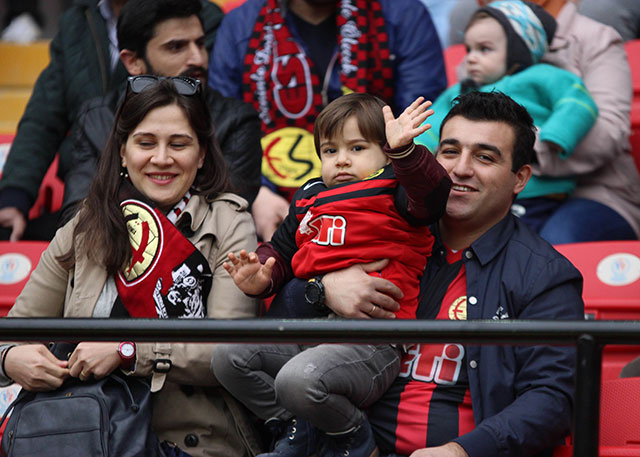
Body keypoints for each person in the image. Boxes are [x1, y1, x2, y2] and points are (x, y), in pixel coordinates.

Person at [270, 91, 585, 456]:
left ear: (520, 178)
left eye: (484, 157)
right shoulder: (386, 231)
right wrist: (322, 289)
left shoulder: (543, 275)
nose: (460, 169)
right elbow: (279, 312)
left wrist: (462, 451)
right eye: (449, 152)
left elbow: (552, 399)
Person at [0, 77, 262, 457]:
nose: (161, 158)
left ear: (202, 154)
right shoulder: (87, 224)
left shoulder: (228, 222)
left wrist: (127, 351)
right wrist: (12, 359)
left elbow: (227, 352)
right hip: (85, 432)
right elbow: (13, 331)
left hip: (189, 443)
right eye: (145, 143)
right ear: (122, 152)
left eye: (179, 144)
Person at [211, 93, 452, 457]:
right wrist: (261, 276)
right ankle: (298, 429)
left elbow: (432, 196)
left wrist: (407, 153)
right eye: (329, 150)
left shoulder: (396, 188)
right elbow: (281, 251)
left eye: (357, 148)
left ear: (385, 153)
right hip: (310, 332)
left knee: (298, 379)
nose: (341, 160)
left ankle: (355, 438)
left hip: (373, 340)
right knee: (227, 359)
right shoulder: (309, 196)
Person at [209, 0, 448, 241]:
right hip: (270, 208)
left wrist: (381, 195)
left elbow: (420, 120)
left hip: (385, 209)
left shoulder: (401, 13)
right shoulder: (241, 25)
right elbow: (227, 126)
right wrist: (257, 192)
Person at [0, 0, 223, 242]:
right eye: (177, 46)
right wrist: (15, 196)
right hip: (88, 189)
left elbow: (215, 111)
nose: (196, 56)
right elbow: (43, 117)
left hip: (175, 204)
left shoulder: (196, 15)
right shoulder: (77, 22)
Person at [443, 0, 640, 243]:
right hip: (499, 187)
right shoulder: (484, 37)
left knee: (549, 246)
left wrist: (519, 152)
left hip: (595, 189)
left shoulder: (596, 38)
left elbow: (608, 130)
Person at [60, 0, 262, 224]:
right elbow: (78, 219)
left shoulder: (236, 121)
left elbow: (225, 221)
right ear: (133, 62)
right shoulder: (97, 118)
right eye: (176, 47)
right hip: (111, 254)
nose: (198, 58)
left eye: (200, 43)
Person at [416, 0, 598, 238]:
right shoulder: (462, 89)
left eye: (485, 49)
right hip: (479, 196)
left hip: (539, 192)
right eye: (469, 49)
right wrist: (414, 150)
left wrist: (557, 134)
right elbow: (432, 123)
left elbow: (578, 102)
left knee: (519, 244)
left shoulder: (543, 76)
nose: (471, 58)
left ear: (519, 51)